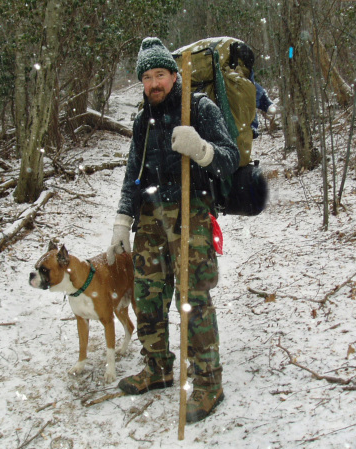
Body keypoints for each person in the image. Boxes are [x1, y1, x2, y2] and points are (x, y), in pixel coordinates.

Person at [107, 37, 239, 423]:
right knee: (147, 295)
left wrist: (202, 150)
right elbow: (134, 170)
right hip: (149, 217)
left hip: (190, 212)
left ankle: (208, 382)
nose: (154, 83)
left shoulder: (198, 107)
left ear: (174, 74)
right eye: (147, 77)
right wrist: (122, 219)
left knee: (193, 298)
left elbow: (230, 158)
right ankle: (159, 366)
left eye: (159, 74)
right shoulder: (141, 118)